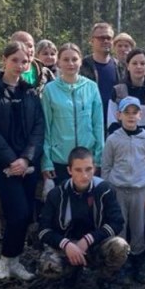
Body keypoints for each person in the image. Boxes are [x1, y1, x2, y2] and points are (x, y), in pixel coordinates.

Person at [0, 41, 45, 282]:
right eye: (15, 60)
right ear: (4, 60)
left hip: (28, 164)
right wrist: (11, 160)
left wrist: (27, 158)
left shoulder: (31, 93)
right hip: (4, 165)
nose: (20, 65)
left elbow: (39, 127)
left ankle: (15, 261)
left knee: (27, 215)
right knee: (16, 213)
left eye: (24, 61)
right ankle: (6, 260)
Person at [38, 147, 129, 289]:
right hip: (68, 245)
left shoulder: (105, 190)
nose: (84, 175)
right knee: (48, 264)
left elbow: (117, 222)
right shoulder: (57, 194)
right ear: (69, 170)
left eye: (88, 169)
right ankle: (71, 276)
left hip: (96, 244)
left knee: (120, 246)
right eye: (78, 170)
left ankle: (105, 281)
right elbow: (43, 230)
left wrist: (89, 239)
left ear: (94, 168)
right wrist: (66, 245)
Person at [102, 96, 145, 284]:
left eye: (135, 113)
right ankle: (121, 268)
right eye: (127, 112)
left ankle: (138, 267)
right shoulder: (112, 139)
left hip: (140, 192)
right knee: (121, 228)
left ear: (140, 115)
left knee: (139, 230)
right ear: (119, 115)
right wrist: (108, 192)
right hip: (118, 191)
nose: (131, 116)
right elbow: (106, 167)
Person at [41, 43, 104, 185]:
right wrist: (46, 161)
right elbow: (46, 127)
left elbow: (98, 125)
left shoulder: (91, 87)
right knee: (63, 204)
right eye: (66, 59)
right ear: (58, 62)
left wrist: (99, 158)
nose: (70, 63)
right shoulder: (50, 90)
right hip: (60, 160)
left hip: (86, 160)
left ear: (81, 61)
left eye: (74, 59)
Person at [106, 48, 145, 141]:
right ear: (128, 66)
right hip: (125, 145)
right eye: (134, 63)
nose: (139, 67)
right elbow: (112, 121)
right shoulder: (118, 91)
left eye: (142, 63)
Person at [80, 22, 123, 127]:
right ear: (92, 41)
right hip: (88, 123)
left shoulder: (120, 67)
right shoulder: (82, 66)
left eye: (109, 38)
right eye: (101, 38)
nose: (105, 41)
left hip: (115, 125)